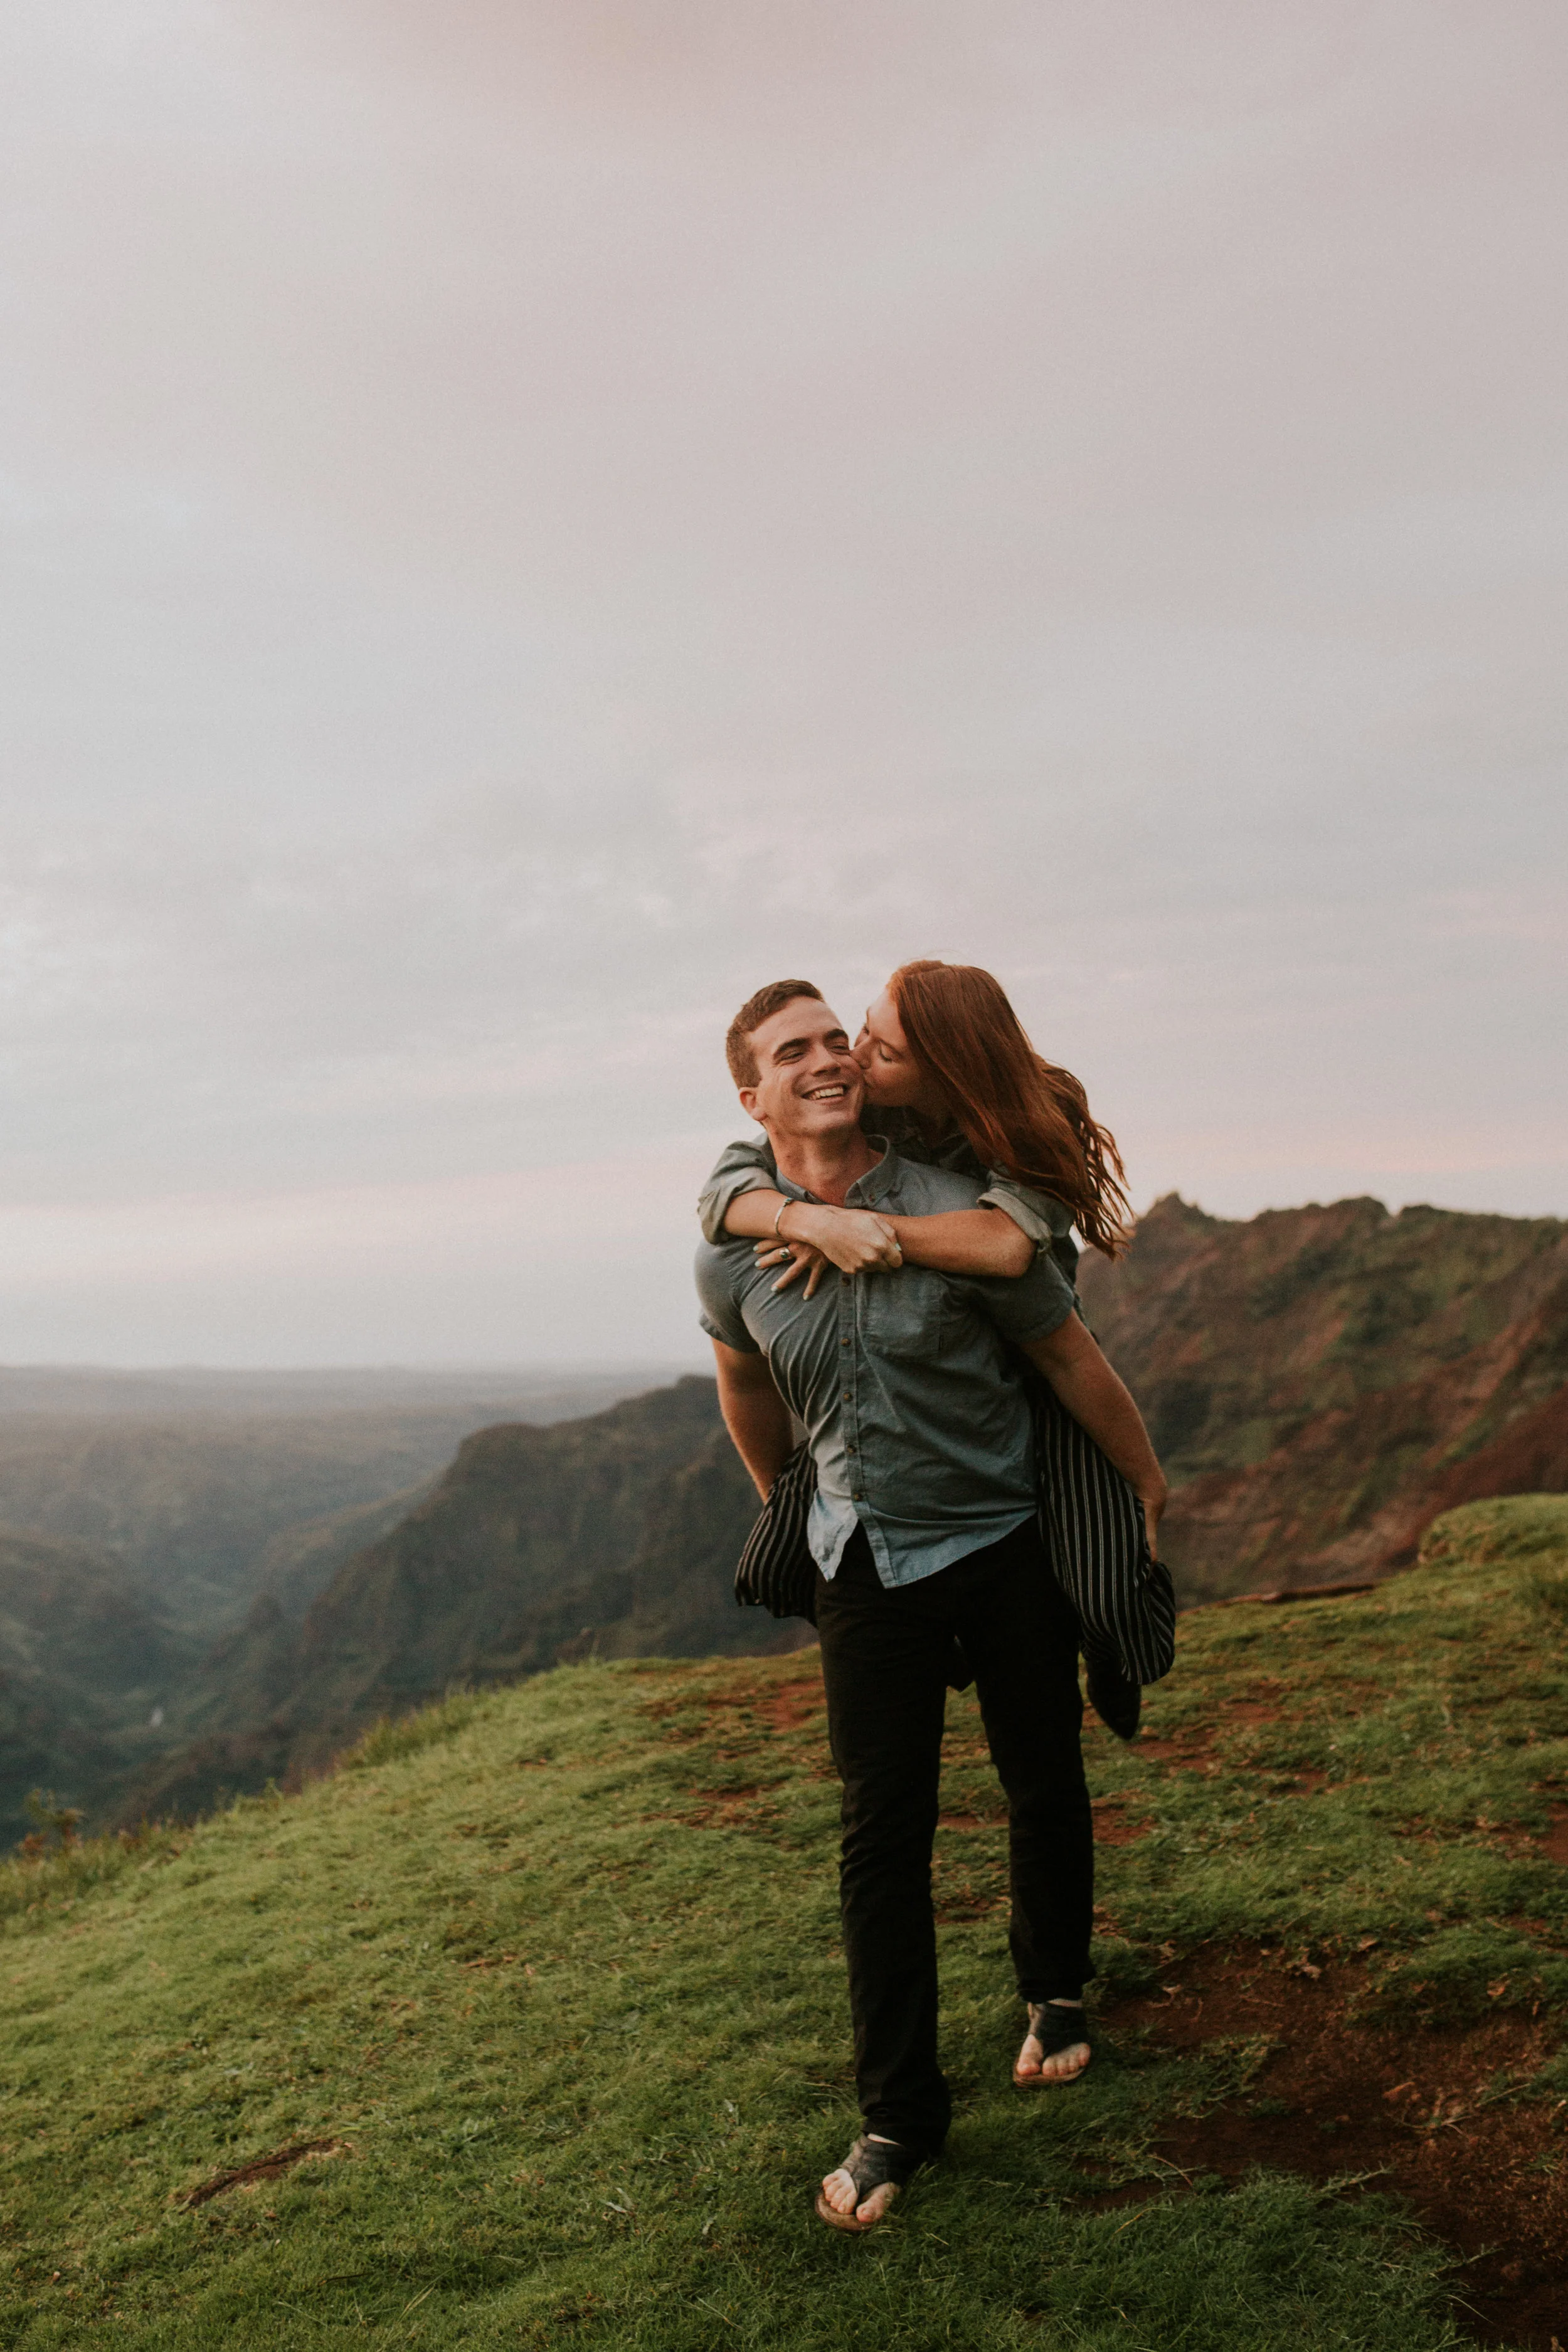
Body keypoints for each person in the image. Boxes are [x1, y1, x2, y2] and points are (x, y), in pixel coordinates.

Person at [695, 978, 1167, 2233]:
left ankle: (1053, 1991)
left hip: (1004, 1541)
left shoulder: (958, 1203)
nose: (829, 1058)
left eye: (839, 1039)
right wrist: (785, 1501)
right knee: (880, 1839)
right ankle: (899, 2116)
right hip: (862, 1562)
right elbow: (743, 1383)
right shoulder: (733, 1237)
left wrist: (1142, 1482)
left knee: (1040, 1773)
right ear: (752, 1095)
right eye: (793, 1051)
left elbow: (1065, 1351)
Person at [698, 958, 1155, 1734]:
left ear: (945, 1067)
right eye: (862, 1033)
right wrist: (806, 1218)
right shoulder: (878, 1110)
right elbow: (724, 1190)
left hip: (1029, 1345)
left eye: (880, 1050)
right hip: (917, 1370)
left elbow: (1005, 1249)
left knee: (1099, 1542)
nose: (853, 1059)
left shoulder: (1035, 1119)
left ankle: (1113, 1644)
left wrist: (855, 1229)